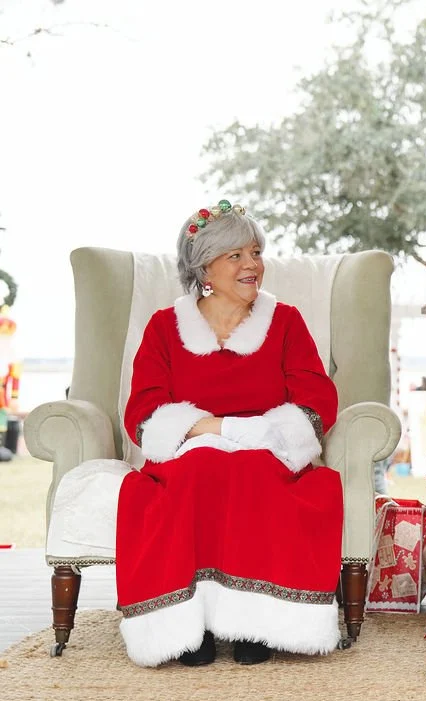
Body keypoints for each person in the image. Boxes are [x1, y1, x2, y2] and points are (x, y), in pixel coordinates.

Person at [113, 200, 343, 667]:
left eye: (255, 253)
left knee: (252, 471)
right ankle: (189, 628)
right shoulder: (164, 327)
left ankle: (251, 625)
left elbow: (317, 398)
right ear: (205, 268)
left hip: (267, 448)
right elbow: (144, 409)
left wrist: (253, 432)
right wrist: (214, 430)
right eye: (236, 256)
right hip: (188, 451)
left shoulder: (285, 322)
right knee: (201, 466)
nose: (252, 265)